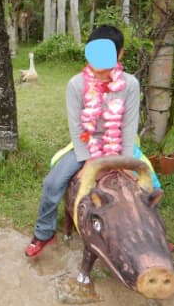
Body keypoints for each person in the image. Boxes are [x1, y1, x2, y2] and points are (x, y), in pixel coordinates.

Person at [25, 25, 141, 258]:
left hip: (120, 143)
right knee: (52, 183)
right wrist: (88, 160)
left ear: (120, 55)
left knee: (150, 185)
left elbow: (129, 126)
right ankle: (44, 233)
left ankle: (150, 236)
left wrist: (127, 161)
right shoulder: (76, 84)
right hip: (85, 145)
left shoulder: (130, 84)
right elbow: (76, 127)